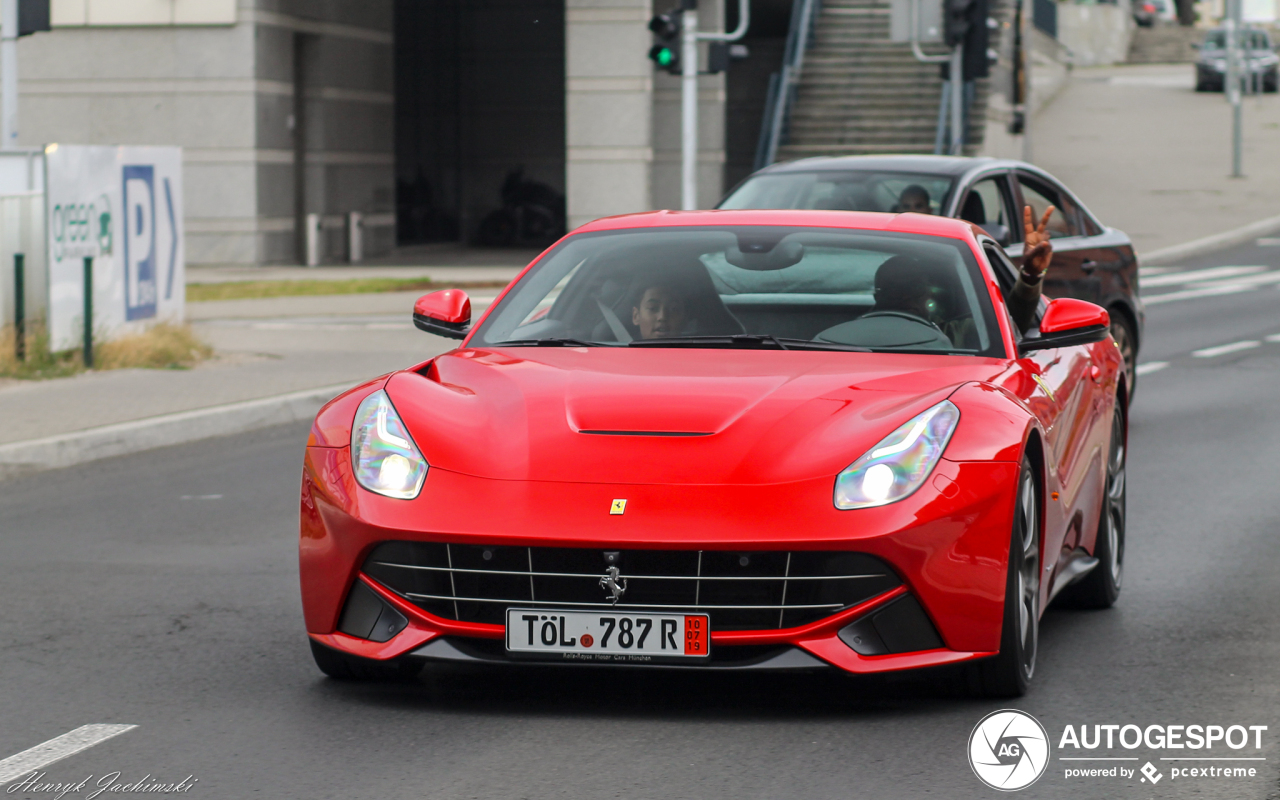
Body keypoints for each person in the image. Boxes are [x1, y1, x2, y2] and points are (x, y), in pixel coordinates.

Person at [872, 204, 1055, 344]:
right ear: (878, 296)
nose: (906, 299)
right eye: (896, 291)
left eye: (914, 289)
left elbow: (1010, 328)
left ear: (928, 295)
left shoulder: (958, 334)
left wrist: (1030, 276)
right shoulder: (846, 337)